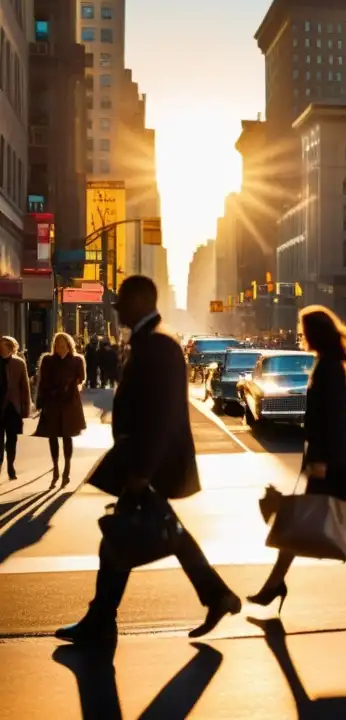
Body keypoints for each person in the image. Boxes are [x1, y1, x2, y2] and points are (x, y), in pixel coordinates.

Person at [56, 276, 241, 647]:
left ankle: (102, 621)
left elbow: (162, 415)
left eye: (122, 300)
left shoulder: (158, 344)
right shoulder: (151, 340)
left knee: (119, 543)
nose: (116, 307)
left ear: (139, 301)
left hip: (147, 463)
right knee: (148, 537)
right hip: (141, 461)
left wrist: (142, 471)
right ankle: (214, 596)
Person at [248, 305, 346, 615]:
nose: (300, 335)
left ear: (314, 333)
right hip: (332, 454)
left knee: (302, 520)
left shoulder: (328, 367)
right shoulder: (327, 363)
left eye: (304, 330)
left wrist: (318, 460)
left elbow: (330, 417)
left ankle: (275, 584)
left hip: (330, 457)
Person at [33, 332, 87, 489]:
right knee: (52, 436)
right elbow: (42, 382)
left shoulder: (77, 360)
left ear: (69, 346)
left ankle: (67, 471)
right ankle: (55, 468)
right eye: (57, 345)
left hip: (70, 403)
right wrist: (40, 402)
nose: (60, 348)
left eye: (63, 345)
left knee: (67, 436)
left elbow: (81, 378)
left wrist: (70, 384)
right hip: (52, 402)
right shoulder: (48, 360)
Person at [0, 336, 31, 481]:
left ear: (12, 348)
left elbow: (25, 387)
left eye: (5, 347)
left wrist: (25, 409)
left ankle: (10, 465)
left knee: (12, 439)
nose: (2, 349)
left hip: (13, 407)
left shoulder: (19, 364)